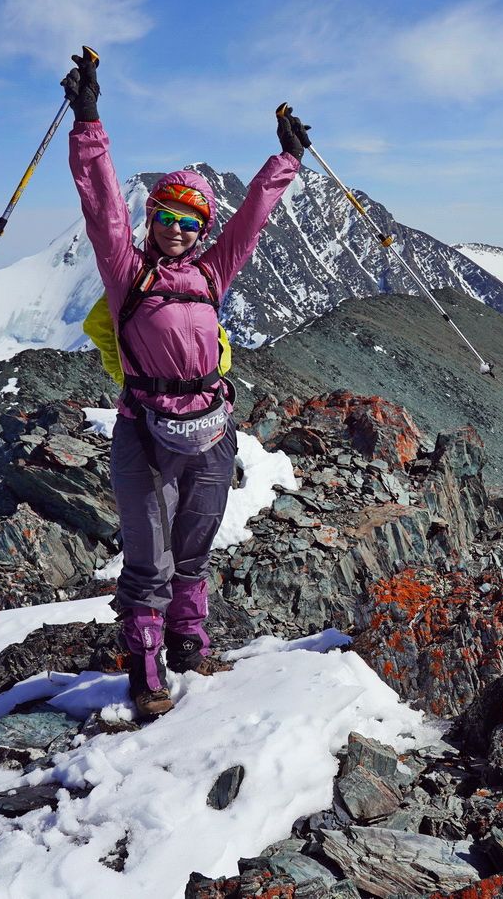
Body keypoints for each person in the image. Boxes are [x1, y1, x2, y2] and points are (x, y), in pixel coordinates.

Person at [62, 47, 310, 717]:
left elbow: (252, 221)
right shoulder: (127, 271)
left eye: (190, 221)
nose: (176, 230)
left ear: (202, 229)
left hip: (212, 431)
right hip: (144, 432)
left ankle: (188, 646)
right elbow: (102, 205)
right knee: (150, 560)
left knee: (194, 551)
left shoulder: (210, 274)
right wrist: (89, 120)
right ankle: (145, 676)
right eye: (167, 218)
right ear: (153, 222)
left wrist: (286, 160)